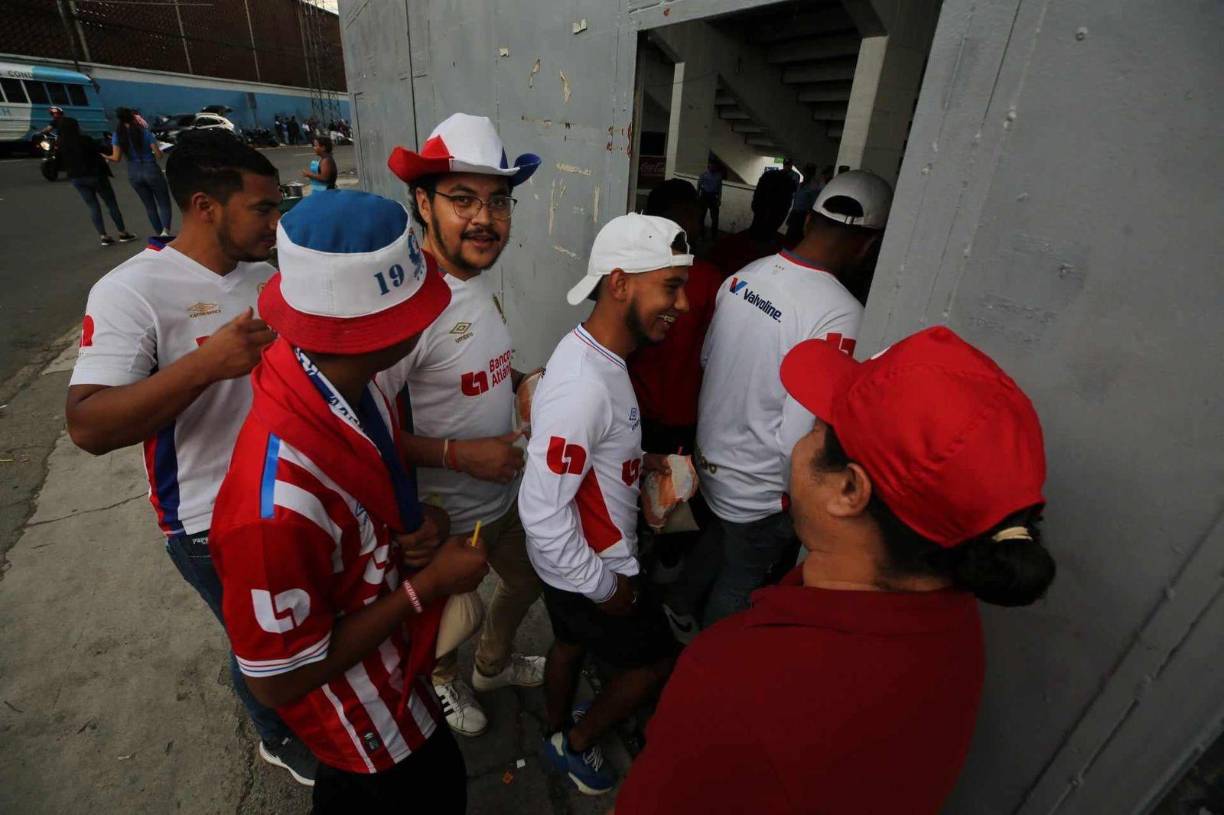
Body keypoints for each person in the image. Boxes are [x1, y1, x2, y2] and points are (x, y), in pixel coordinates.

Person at [616, 325, 1057, 814]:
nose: (802, 443)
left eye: (817, 428)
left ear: (849, 490)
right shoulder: (952, 627)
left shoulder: (735, 687)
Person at [209, 189, 487, 812]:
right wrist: (427, 585)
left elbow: (365, 510)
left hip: (397, 677)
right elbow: (279, 678)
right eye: (417, 312)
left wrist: (417, 529)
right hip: (362, 727)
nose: (425, 322)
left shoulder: (350, 384)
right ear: (374, 332)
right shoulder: (273, 508)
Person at [64, 130, 317, 785]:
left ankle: (303, 704)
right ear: (205, 205)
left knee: (301, 622)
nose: (276, 221)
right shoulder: (132, 291)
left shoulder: (269, 275)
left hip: (289, 490)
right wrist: (204, 365)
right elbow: (88, 424)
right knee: (258, 640)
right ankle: (274, 732)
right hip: (209, 520)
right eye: (262, 209)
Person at [668, 170, 893, 632]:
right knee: (741, 580)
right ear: (869, 245)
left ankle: (678, 606)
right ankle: (712, 661)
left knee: (714, 542)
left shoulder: (743, 277)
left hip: (711, 466)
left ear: (809, 220)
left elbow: (709, 362)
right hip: (761, 490)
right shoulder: (842, 313)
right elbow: (799, 430)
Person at [380, 112, 546, 737]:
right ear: (423, 204)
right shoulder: (402, 309)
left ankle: (492, 665)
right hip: (442, 516)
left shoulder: (475, 283)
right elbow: (364, 434)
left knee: (528, 582)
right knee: (448, 617)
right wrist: (457, 455)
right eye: (462, 199)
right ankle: (443, 679)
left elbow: (479, 369)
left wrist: (523, 380)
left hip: (502, 496)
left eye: (498, 202)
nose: (484, 218)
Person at [519, 213, 690, 796]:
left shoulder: (591, 355)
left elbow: (584, 457)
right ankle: (580, 744)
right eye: (671, 286)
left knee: (569, 641)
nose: (684, 304)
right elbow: (542, 513)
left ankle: (553, 725)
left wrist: (638, 463)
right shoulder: (585, 386)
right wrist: (606, 586)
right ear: (620, 284)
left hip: (569, 569)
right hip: (593, 566)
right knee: (652, 663)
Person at [626, 179, 722, 583]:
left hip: (637, 408)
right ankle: (662, 567)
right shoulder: (710, 280)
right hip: (681, 414)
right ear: (685, 219)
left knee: (631, 490)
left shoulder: (632, 272)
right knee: (674, 499)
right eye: (695, 216)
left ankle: (636, 554)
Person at [56, 116, 135, 247]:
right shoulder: (85, 140)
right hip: (95, 175)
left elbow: (60, 163)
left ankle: (103, 236)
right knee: (111, 203)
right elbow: (100, 150)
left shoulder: (61, 144)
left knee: (93, 206)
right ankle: (122, 232)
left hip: (77, 178)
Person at [706, 168, 794, 278]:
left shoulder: (723, 251)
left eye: (780, 205)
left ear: (754, 202)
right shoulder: (792, 257)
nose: (770, 213)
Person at [108, 107, 174, 237]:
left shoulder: (117, 135)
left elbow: (116, 158)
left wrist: (104, 156)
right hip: (151, 169)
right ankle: (165, 232)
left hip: (133, 172)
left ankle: (158, 233)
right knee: (163, 203)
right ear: (133, 118)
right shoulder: (144, 132)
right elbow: (159, 154)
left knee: (149, 206)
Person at [784, 162, 821, 246]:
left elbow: (814, 204)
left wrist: (808, 220)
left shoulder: (814, 187)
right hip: (795, 212)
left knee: (797, 238)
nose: (806, 174)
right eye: (806, 171)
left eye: (809, 172)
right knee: (790, 236)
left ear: (812, 174)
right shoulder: (800, 185)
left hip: (803, 215)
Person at [695, 160, 723, 238]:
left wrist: (719, 199)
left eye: (714, 165)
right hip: (704, 196)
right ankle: (702, 235)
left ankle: (714, 236)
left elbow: (720, 188)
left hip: (714, 197)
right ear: (708, 165)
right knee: (701, 217)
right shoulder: (703, 175)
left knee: (715, 218)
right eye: (711, 165)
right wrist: (697, 196)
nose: (713, 167)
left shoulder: (719, 176)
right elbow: (699, 185)